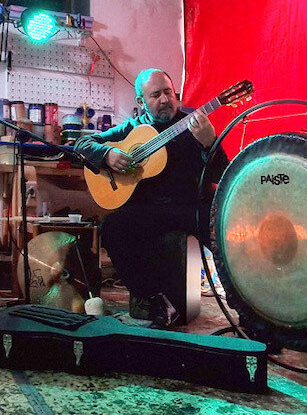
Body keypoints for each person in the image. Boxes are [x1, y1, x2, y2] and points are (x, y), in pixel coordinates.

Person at [74, 69, 226, 327]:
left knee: (227, 238)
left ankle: (250, 315)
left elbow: (222, 172)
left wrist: (209, 143)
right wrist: (108, 154)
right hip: (151, 211)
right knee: (112, 227)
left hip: (191, 206)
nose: (165, 99)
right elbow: (82, 145)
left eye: (168, 92)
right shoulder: (134, 127)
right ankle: (157, 302)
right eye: (156, 95)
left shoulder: (195, 122)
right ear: (141, 102)